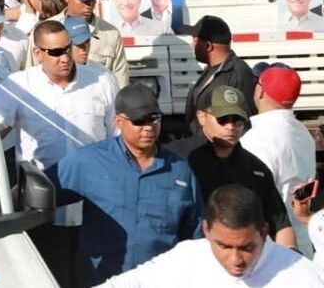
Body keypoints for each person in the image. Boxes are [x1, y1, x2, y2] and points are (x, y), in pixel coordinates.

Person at [0, 20, 118, 285]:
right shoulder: (17, 86)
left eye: (67, 48)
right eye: (55, 52)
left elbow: (118, 140)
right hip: (41, 213)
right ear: (37, 52)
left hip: (95, 211)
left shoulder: (102, 81)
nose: (65, 58)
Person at [46, 84, 202, 287]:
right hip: (100, 280)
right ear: (118, 121)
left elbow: (195, 234)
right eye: (139, 121)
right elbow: (39, 193)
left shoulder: (180, 171)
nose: (148, 127)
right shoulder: (88, 162)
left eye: (154, 119)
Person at [98, 184, 323, 287]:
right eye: (224, 246)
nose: (236, 261)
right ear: (206, 230)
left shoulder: (302, 278)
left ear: (264, 232)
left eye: (246, 247)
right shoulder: (187, 257)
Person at [169, 86, 296, 248]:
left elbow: (281, 224)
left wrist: (290, 262)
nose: (230, 127)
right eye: (222, 119)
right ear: (202, 117)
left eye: (237, 120)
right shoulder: (177, 159)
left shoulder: (256, 170)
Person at [241, 63, 315, 255]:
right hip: (303, 241)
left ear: (261, 91)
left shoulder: (256, 140)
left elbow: (251, 201)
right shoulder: (302, 132)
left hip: (272, 249)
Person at [24, 0, 129, 89]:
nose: (89, 5)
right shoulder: (44, 31)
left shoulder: (110, 34)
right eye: (83, 0)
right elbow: (31, 74)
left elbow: (120, 81)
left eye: (92, 0)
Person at [181, 15, 256, 134]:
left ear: (208, 46)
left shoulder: (237, 73)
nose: (192, 45)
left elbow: (246, 121)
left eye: (195, 40)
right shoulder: (211, 70)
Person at [64, 15, 115, 81]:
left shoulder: (104, 75)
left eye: (87, 41)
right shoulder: (51, 76)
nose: (84, 48)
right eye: (79, 43)